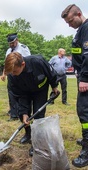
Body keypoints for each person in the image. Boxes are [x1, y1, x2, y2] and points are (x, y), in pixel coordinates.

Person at [4, 52, 59, 156]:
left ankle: (37, 143)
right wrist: (24, 112)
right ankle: (28, 133)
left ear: (23, 64)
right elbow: (18, 95)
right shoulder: (12, 75)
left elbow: (51, 73)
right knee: (22, 114)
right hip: (24, 92)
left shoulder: (38, 62)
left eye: (15, 71)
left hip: (40, 90)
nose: (13, 74)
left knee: (38, 116)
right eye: (11, 72)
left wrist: (54, 86)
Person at [61, 4, 88, 168]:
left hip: (86, 78)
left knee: (84, 111)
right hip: (82, 76)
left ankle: (87, 149)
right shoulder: (80, 31)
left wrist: (84, 78)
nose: (69, 24)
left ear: (79, 14)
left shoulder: (86, 29)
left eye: (71, 21)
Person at [1, 33, 31, 122]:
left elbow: (28, 61)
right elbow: (7, 63)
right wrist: (4, 73)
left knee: (21, 93)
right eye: (10, 43)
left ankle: (22, 113)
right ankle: (13, 114)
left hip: (21, 73)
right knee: (11, 93)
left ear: (17, 40)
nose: (11, 45)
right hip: (11, 74)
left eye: (13, 43)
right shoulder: (8, 51)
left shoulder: (23, 48)